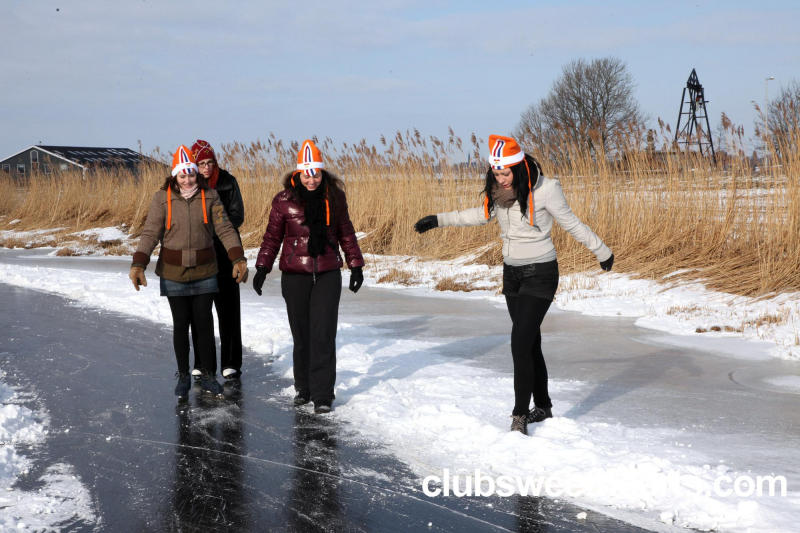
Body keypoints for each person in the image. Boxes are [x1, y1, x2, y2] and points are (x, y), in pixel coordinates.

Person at [414, 135, 614, 435]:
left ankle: (519, 416)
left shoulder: (547, 190)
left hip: (541, 273)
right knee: (530, 343)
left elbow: (571, 222)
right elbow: (478, 216)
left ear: (519, 167)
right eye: (496, 174)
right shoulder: (497, 194)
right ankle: (543, 406)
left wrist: (601, 250)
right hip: (512, 274)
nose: (501, 179)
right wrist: (438, 219)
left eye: (506, 173)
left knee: (519, 342)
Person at [252, 139, 364, 414]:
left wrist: (356, 264)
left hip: (327, 272)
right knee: (302, 335)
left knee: (323, 334)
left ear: (321, 173)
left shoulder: (334, 197)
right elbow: (272, 237)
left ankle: (323, 394)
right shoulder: (283, 201)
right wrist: (263, 268)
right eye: (306, 174)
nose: (311, 179)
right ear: (297, 174)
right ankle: (304, 388)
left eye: (316, 173)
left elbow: (346, 232)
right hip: (295, 274)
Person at [129, 145, 249, 399]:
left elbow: (226, 229)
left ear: (197, 174)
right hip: (173, 272)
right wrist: (139, 263)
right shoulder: (161, 198)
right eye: (182, 175)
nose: (187, 180)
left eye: (191, 174)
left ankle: (207, 375)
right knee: (181, 324)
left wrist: (237, 258)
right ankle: (183, 375)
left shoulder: (211, 197)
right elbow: (151, 232)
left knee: (205, 324)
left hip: (206, 270)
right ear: (175, 176)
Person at [189, 140, 246, 382]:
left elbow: (237, 215)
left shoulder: (227, 181)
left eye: (209, 162)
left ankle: (231, 363)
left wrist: (215, 231)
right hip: (199, 256)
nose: (206, 167)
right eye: (201, 163)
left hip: (225, 253)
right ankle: (202, 363)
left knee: (229, 310)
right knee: (200, 312)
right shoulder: (189, 183)